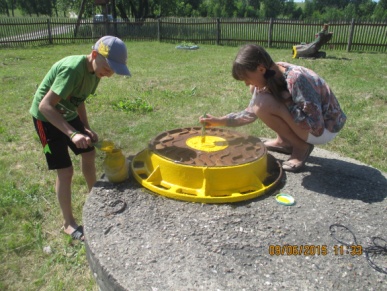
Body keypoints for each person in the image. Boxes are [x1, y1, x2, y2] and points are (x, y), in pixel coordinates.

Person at [30, 36, 131, 241]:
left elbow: (78, 100)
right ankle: (68, 223)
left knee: (89, 152)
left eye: (113, 71)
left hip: (67, 112)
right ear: (94, 55)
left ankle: (94, 196)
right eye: (108, 68)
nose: (109, 74)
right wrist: (73, 133)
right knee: (65, 171)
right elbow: (45, 106)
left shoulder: (95, 72)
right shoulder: (72, 70)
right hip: (46, 119)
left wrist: (85, 127)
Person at [199, 44, 346, 172]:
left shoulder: (296, 79)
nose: (246, 83)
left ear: (261, 69)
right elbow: (250, 114)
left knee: (263, 103)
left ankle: (301, 147)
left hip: (325, 129)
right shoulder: (270, 75)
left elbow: (316, 126)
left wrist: (286, 102)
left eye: (246, 78)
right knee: (260, 99)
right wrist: (221, 121)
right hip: (312, 126)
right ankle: (284, 142)